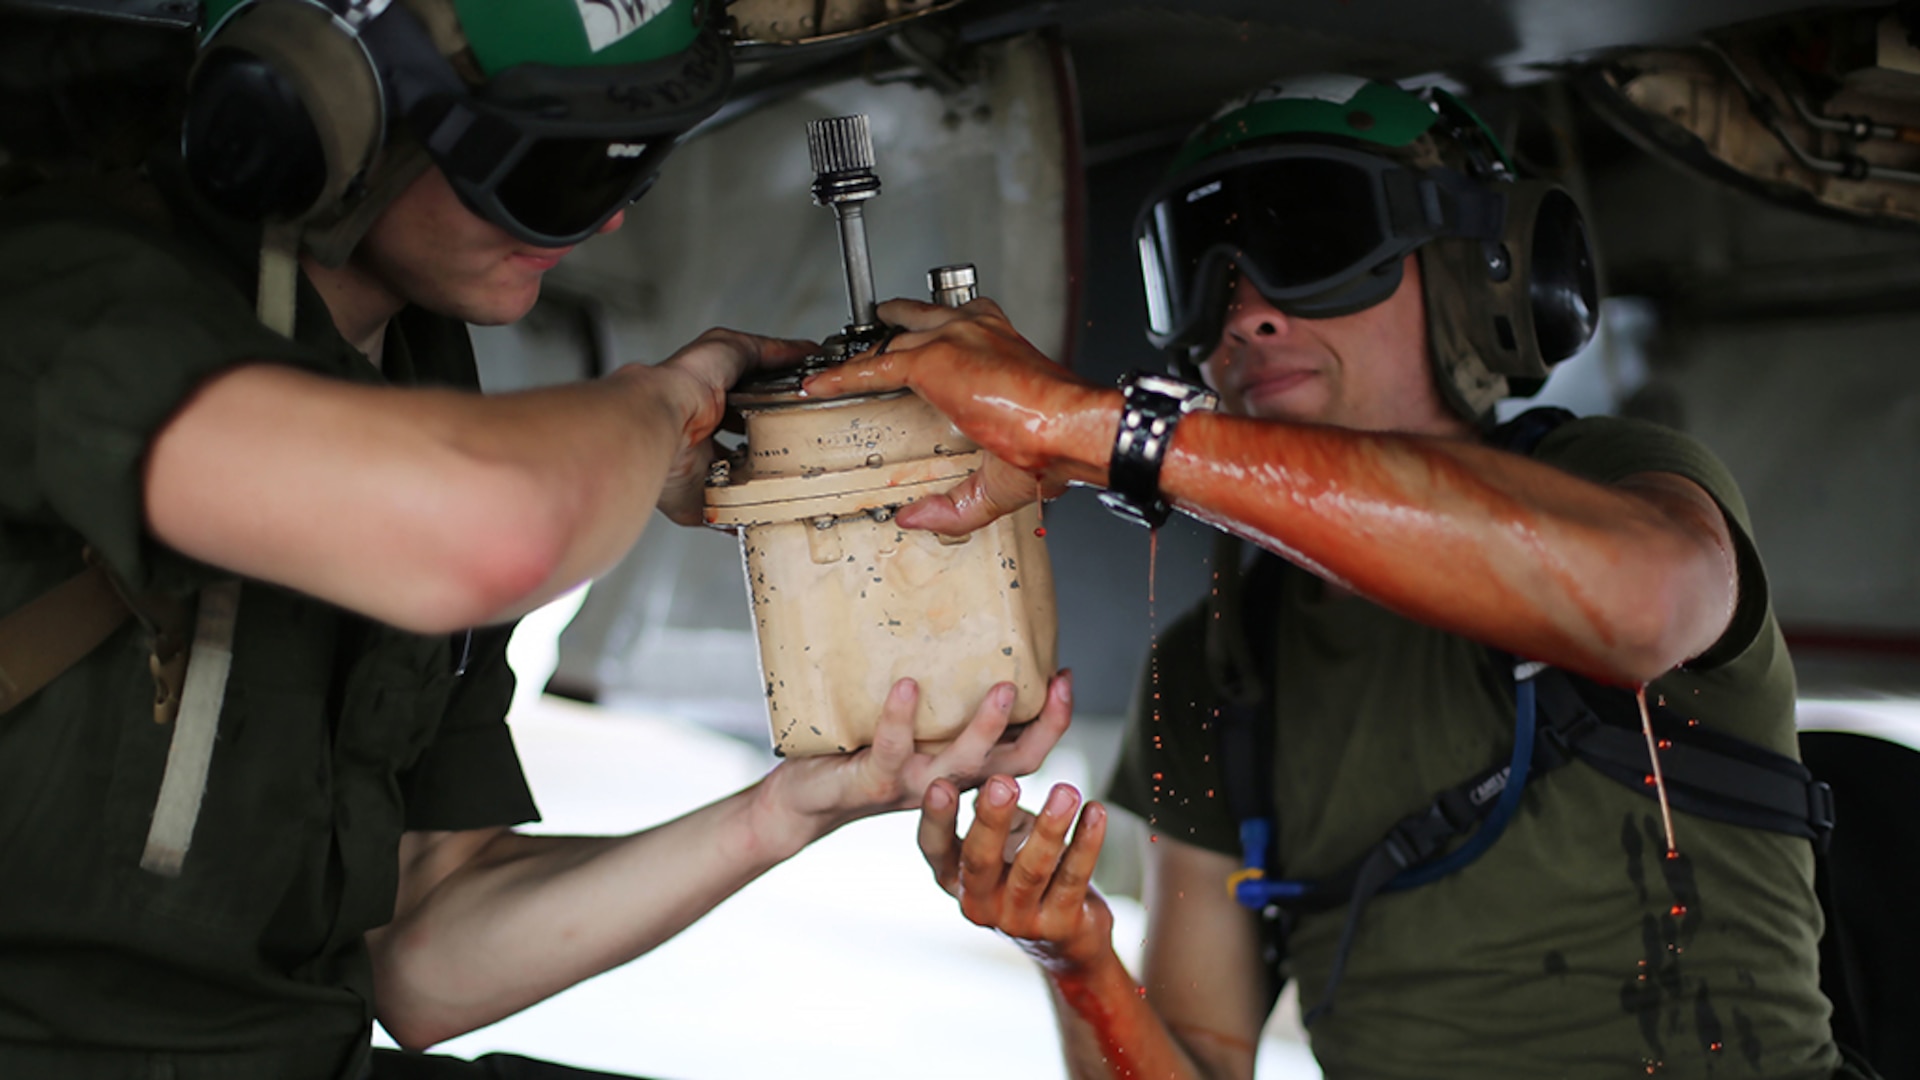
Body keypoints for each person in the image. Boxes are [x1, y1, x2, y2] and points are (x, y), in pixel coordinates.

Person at [0, 2, 1070, 1078]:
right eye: (548, 162)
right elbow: (488, 531)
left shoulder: (422, 360)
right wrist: (656, 412)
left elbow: (423, 948)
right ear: (331, 115)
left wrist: (786, 812)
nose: (601, 224)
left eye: (627, 169)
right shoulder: (81, 290)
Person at [804, 75, 1862, 1078]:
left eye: (1312, 241)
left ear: (1477, 269)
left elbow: (1643, 604)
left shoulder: (1618, 484)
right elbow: (1201, 1060)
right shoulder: (1219, 664)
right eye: (1207, 274)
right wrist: (1077, 961)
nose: (1250, 314)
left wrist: (1102, 433)